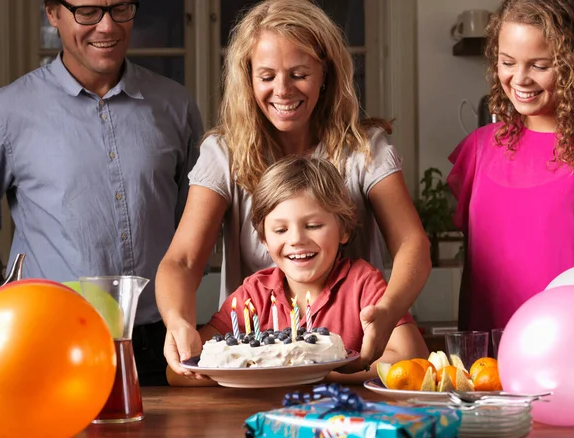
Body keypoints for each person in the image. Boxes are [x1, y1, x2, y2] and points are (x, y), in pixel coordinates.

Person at [157, 0, 431, 377]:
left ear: (325, 75)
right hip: (254, 354)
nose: (282, 90)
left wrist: (387, 312)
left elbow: (411, 245)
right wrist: (178, 322)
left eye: (299, 73)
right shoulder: (224, 153)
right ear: (248, 78)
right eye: (266, 76)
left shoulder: (366, 149)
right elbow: (183, 260)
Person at [0, 0, 204, 385]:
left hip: (161, 345)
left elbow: (190, 235)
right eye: (88, 11)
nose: (107, 27)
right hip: (49, 342)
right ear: (53, 13)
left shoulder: (177, 105)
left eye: (119, 8)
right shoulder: (5, 112)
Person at [167, 156, 429, 386]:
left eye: (313, 225)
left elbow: (412, 356)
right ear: (264, 240)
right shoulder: (254, 295)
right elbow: (179, 371)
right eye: (280, 230)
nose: (296, 239)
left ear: (344, 230)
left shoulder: (362, 283)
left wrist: (321, 374)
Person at [448, 0, 574, 332]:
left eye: (540, 65)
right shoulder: (479, 148)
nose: (520, 79)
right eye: (507, 62)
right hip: (487, 361)